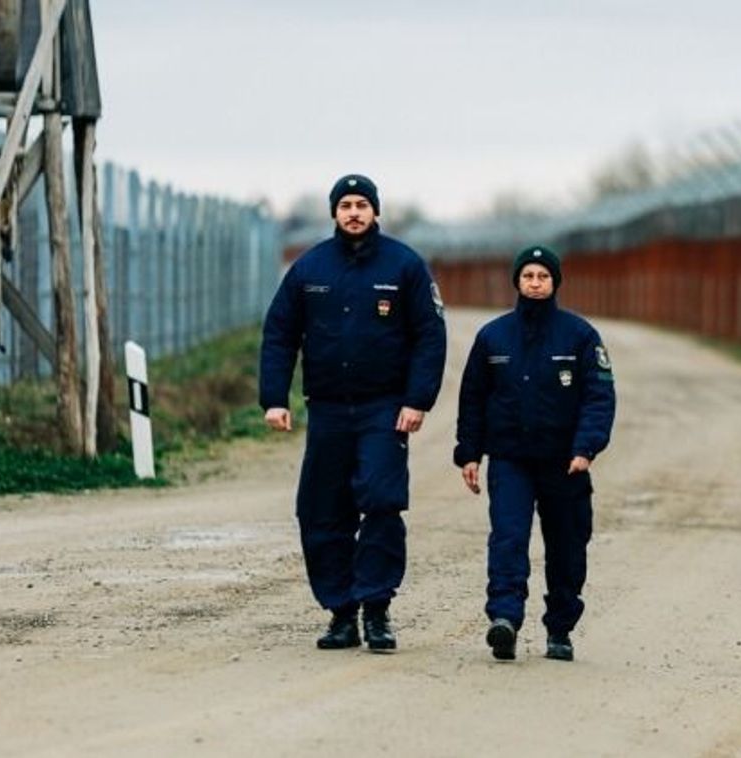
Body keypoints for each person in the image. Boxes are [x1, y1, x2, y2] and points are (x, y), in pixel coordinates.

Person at [259, 174, 447, 652]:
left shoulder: (404, 265)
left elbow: (430, 336)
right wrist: (274, 398)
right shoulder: (310, 267)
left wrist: (417, 399)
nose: (355, 212)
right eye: (346, 204)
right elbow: (280, 333)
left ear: (376, 212)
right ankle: (341, 612)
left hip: (384, 409)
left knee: (382, 502)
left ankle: (378, 610)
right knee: (321, 510)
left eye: (363, 204)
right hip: (326, 410)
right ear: (334, 213)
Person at [454, 245, 616, 662]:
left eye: (543, 276)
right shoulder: (493, 337)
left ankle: (559, 628)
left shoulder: (580, 336)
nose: (535, 283)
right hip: (510, 458)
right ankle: (504, 618)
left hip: (565, 461)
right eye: (528, 276)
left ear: (555, 282)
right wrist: (468, 453)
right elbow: (472, 398)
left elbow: (599, 397)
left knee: (567, 545)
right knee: (508, 538)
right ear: (517, 282)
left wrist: (586, 448)